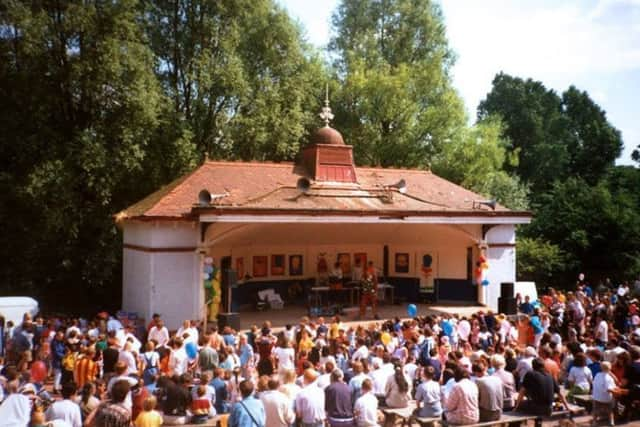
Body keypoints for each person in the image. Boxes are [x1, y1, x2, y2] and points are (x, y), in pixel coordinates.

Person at [592, 361, 616, 427]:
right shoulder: (609, 378)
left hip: (596, 397)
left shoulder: (597, 375)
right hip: (606, 398)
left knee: (595, 409)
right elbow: (609, 389)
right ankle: (611, 421)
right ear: (610, 368)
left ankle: (594, 421)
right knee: (610, 410)